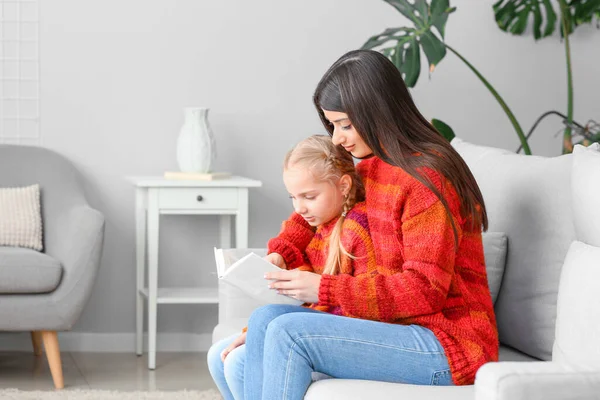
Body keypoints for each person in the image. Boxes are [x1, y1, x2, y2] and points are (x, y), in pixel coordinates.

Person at [213, 49, 499, 400]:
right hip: (393, 328)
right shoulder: (371, 167)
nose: (336, 139)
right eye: (332, 125)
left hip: (445, 343)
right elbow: (313, 216)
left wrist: (322, 289)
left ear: (379, 112)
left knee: (287, 332)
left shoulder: (428, 179)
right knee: (242, 341)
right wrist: (282, 254)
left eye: (345, 124)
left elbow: (424, 290)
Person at [207, 134, 377, 400]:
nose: (300, 207)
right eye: (293, 198)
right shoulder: (321, 218)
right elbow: (295, 227)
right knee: (217, 356)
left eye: (309, 196)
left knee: (239, 362)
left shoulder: (357, 230)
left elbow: (364, 309)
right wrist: (279, 256)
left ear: (343, 186)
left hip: (336, 334)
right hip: (312, 321)